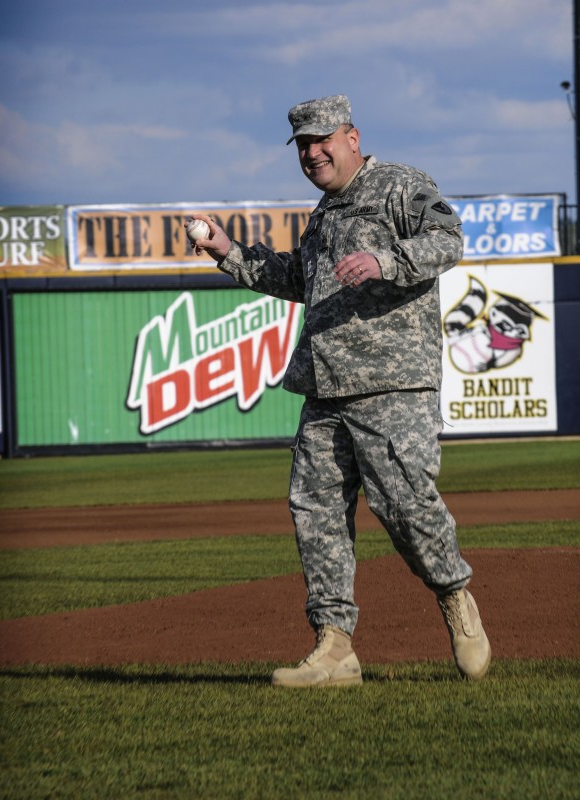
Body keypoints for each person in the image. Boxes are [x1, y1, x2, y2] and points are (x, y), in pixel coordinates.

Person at [187, 94, 491, 687]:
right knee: (316, 513)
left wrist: (385, 259)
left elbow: (448, 240)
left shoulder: (399, 185)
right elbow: (300, 280)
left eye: (322, 139)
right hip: (325, 387)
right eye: (302, 143)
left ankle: (455, 596)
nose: (312, 151)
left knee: (405, 506)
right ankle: (334, 648)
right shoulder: (323, 213)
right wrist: (227, 253)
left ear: (352, 136)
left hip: (391, 384)